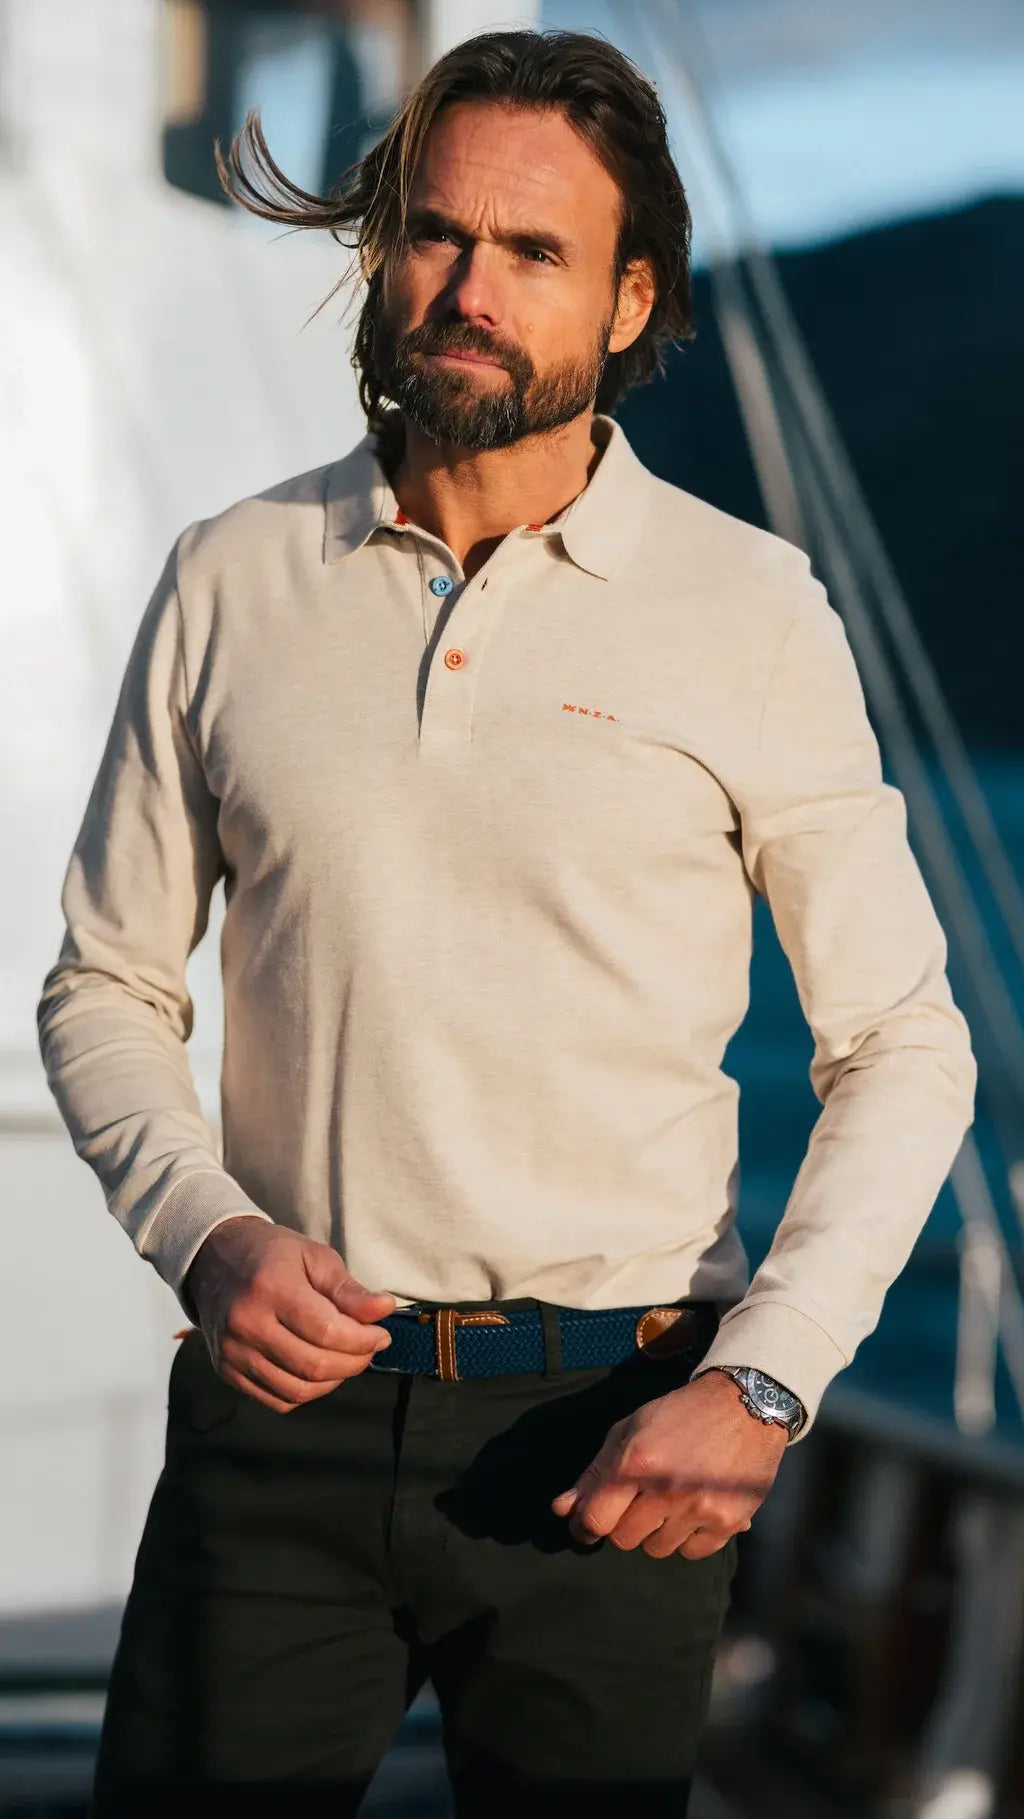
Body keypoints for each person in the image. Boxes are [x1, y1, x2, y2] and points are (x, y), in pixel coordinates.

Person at [38, 27, 976, 1818]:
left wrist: (765, 1386)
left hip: (611, 1434)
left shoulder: (750, 607)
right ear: (385, 252)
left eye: (535, 252)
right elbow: (107, 982)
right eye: (437, 234)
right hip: (277, 1413)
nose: (471, 291)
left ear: (630, 301)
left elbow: (901, 1045)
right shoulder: (233, 575)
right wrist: (203, 1235)